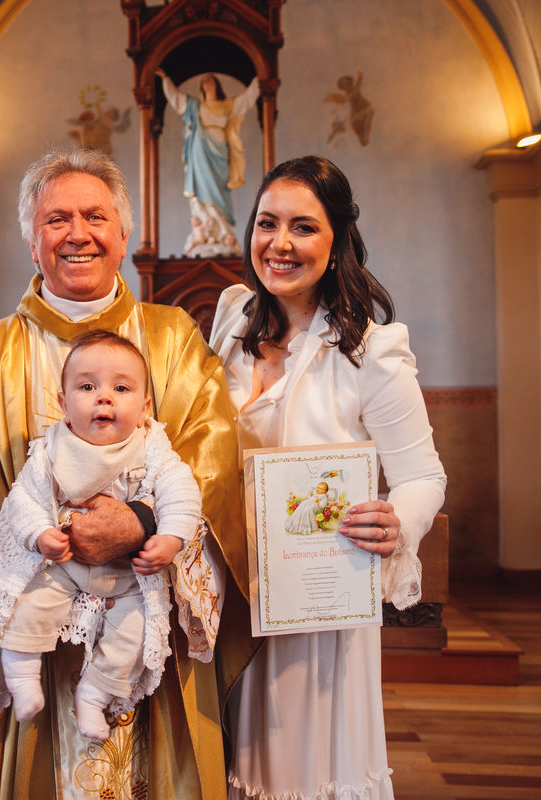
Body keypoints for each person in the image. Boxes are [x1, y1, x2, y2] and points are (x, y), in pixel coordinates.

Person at [0, 148, 258, 799]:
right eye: (57, 219)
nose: (78, 234)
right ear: (31, 238)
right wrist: (57, 555)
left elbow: (214, 460)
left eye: (95, 216)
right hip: (35, 627)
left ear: (123, 234)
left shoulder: (173, 337)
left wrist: (142, 524)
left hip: (148, 607)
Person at [208, 155, 447, 799]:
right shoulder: (231, 321)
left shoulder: (371, 352)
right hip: (230, 591)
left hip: (314, 607)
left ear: (337, 238)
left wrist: (398, 520)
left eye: (303, 227)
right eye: (266, 223)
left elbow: (423, 475)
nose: (280, 244)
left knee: (300, 769)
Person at [0, 330, 203, 742]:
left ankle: (93, 697)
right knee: (29, 604)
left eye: (121, 388)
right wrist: (40, 534)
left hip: (126, 575)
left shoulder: (153, 449)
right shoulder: (51, 449)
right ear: (62, 403)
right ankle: (22, 679)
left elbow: (182, 493)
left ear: (145, 407)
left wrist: (170, 538)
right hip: (63, 565)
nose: (104, 397)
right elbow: (24, 499)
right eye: (88, 386)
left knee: (133, 631)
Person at [158, 68, 260, 255]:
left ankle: (224, 234)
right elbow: (175, 98)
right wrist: (165, 78)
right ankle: (205, 234)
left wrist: (258, 78)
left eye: (211, 79)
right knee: (200, 191)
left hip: (220, 153)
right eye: (204, 80)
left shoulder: (227, 106)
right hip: (199, 154)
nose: (208, 82)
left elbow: (245, 100)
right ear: (201, 87)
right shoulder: (194, 106)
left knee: (220, 193)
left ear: (217, 84)